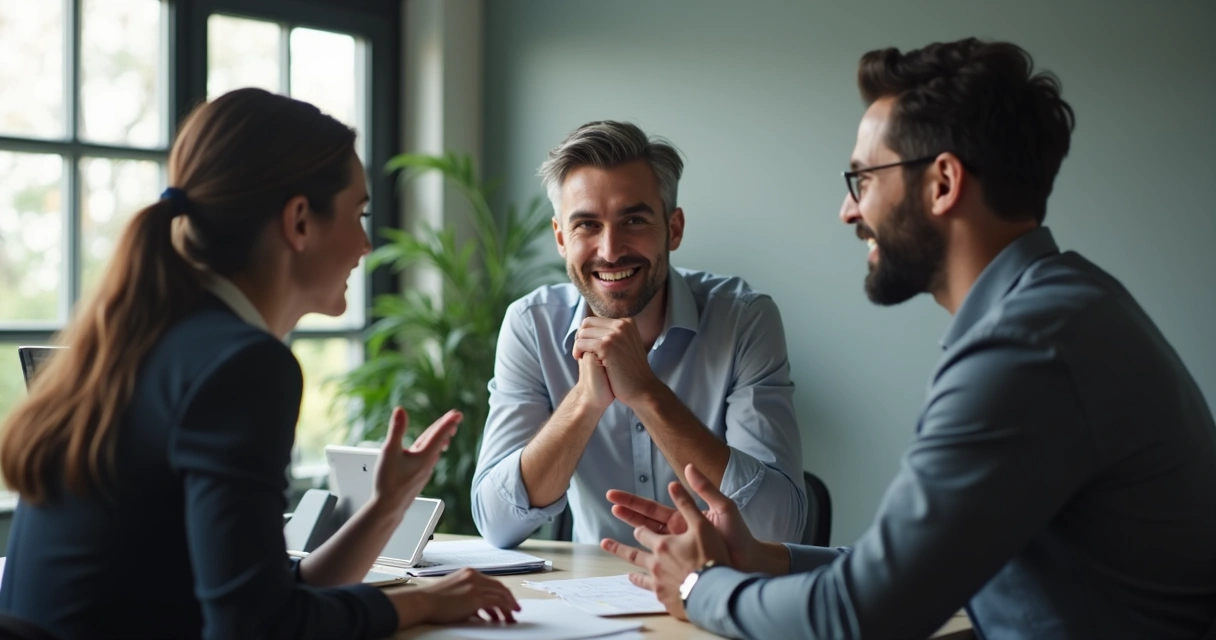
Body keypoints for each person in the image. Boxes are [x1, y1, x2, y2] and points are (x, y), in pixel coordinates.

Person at [601, 38, 1216, 640]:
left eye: (863, 178)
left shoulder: (1025, 348)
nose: (848, 210)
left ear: (943, 183)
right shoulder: (1066, 306)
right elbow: (904, 573)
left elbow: (861, 616)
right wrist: (764, 560)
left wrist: (697, 588)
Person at [0, 88, 519, 639]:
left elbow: (258, 598)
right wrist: (414, 606)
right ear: (298, 221)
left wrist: (386, 506)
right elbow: (257, 628)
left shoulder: (145, 341)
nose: (366, 244)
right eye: (358, 214)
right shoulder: (243, 364)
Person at [471, 121, 807, 549]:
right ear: (560, 237)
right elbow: (496, 524)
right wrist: (584, 402)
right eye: (587, 225)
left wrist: (646, 392)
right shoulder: (531, 325)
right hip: (584, 600)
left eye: (634, 219)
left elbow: (777, 529)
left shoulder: (744, 319)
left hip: (716, 588)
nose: (610, 250)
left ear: (674, 228)